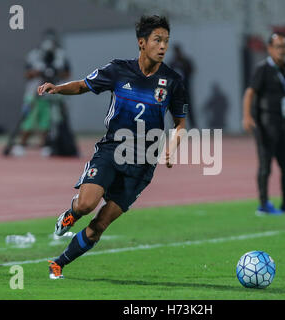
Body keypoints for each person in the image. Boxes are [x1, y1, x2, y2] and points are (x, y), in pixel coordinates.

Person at [38, 15, 188, 279]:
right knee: (86, 205)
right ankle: (71, 213)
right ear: (142, 43)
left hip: (143, 162)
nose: (163, 46)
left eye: (166, 40)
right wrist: (57, 88)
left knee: (100, 224)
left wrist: (172, 146)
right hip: (112, 150)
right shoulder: (118, 70)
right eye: (157, 40)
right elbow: (84, 85)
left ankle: (58, 263)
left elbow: (180, 124)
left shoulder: (173, 81)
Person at [242, 32, 285, 216]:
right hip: (265, 123)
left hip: (283, 123)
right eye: (278, 46)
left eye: (284, 46)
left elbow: (284, 97)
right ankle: (263, 205)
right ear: (270, 49)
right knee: (265, 165)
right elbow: (250, 93)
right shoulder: (263, 68)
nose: (281, 50)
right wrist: (247, 116)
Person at [12, 29, 71, 157]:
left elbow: (67, 73)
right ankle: (21, 144)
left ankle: (45, 145)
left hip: (51, 93)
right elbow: (27, 74)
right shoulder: (34, 55)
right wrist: (40, 71)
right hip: (34, 92)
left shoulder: (60, 55)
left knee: (47, 121)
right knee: (29, 120)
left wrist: (54, 72)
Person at [170, 44, 196, 128]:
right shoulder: (173, 63)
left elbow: (192, 70)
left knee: (189, 107)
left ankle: (193, 125)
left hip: (185, 88)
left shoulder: (185, 61)